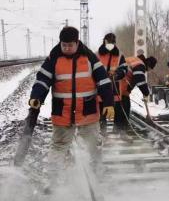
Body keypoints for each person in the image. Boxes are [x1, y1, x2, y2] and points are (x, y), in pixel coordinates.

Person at [28, 26, 114, 168]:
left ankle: (97, 169)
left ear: (77, 43)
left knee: (93, 144)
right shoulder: (53, 58)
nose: (67, 48)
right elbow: (42, 80)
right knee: (59, 146)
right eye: (64, 45)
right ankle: (54, 177)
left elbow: (103, 81)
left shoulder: (90, 58)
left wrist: (108, 103)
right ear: (60, 43)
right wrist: (36, 96)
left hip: (88, 110)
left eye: (70, 45)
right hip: (62, 112)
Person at [97, 33, 128, 131]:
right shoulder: (96, 55)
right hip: (100, 92)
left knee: (117, 115)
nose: (110, 45)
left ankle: (118, 134)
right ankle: (102, 135)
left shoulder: (119, 55)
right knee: (101, 117)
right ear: (104, 41)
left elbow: (124, 69)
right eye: (108, 42)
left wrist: (117, 74)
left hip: (115, 90)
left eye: (112, 43)